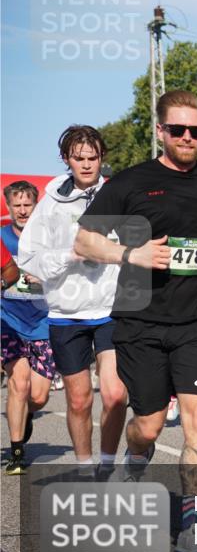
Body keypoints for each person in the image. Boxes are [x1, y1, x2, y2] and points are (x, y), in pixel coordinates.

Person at [74, 90, 197, 552]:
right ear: (160, 131)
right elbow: (84, 240)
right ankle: (135, 461)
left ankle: (192, 524)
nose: (187, 138)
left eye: (195, 131)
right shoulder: (133, 183)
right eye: (177, 130)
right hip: (141, 323)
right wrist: (129, 254)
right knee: (150, 426)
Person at [19, 125, 128, 477]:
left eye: (93, 158)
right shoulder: (51, 202)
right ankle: (84, 468)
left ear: (102, 158)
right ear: (66, 160)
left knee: (114, 395)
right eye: (78, 158)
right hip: (66, 313)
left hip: (110, 309)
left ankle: (107, 466)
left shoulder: (117, 196)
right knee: (79, 400)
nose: (86, 165)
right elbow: (28, 256)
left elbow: (136, 243)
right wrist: (71, 255)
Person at [1, 181, 54, 475]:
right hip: (8, 321)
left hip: (44, 323)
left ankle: (26, 416)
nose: (22, 211)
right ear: (8, 207)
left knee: (38, 397)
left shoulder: (49, 239)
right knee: (18, 384)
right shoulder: (1, 238)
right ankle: (17, 451)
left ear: (36, 206)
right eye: (16, 205)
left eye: (27, 205)